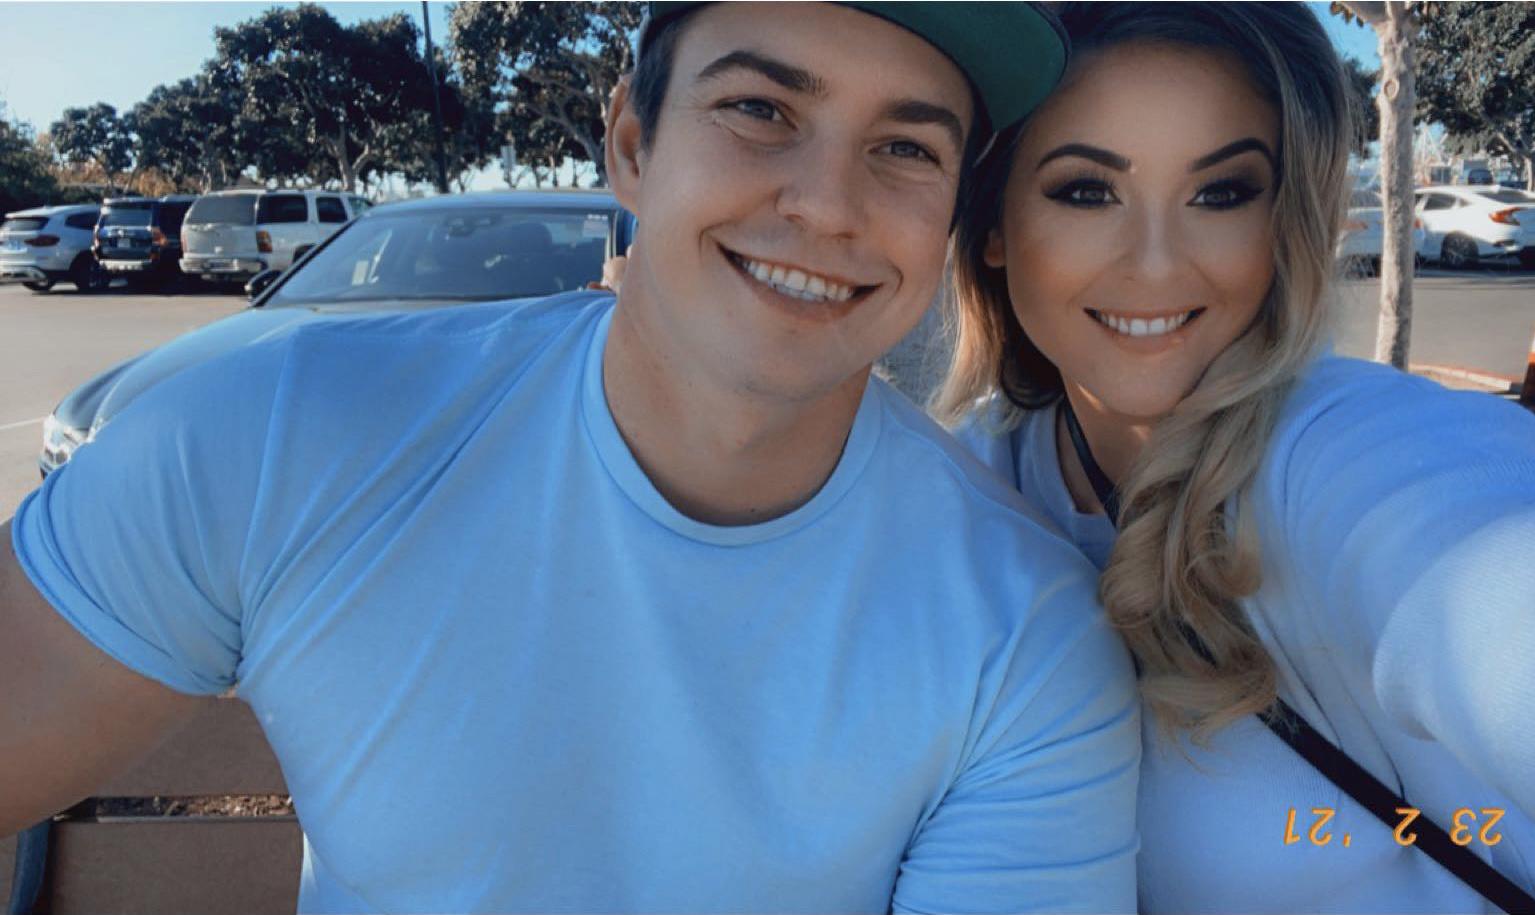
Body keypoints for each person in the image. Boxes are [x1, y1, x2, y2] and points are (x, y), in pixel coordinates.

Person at [0, 4, 1143, 912]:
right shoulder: (276, 436)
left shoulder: (1022, 634)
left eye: (903, 148)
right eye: (758, 109)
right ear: (632, 144)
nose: (826, 205)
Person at [937, 3, 1535, 912]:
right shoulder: (964, 482)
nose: (1155, 264)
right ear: (993, 225)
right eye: (1084, 190)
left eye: (1222, 192)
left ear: (1284, 220)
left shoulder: (1334, 451)